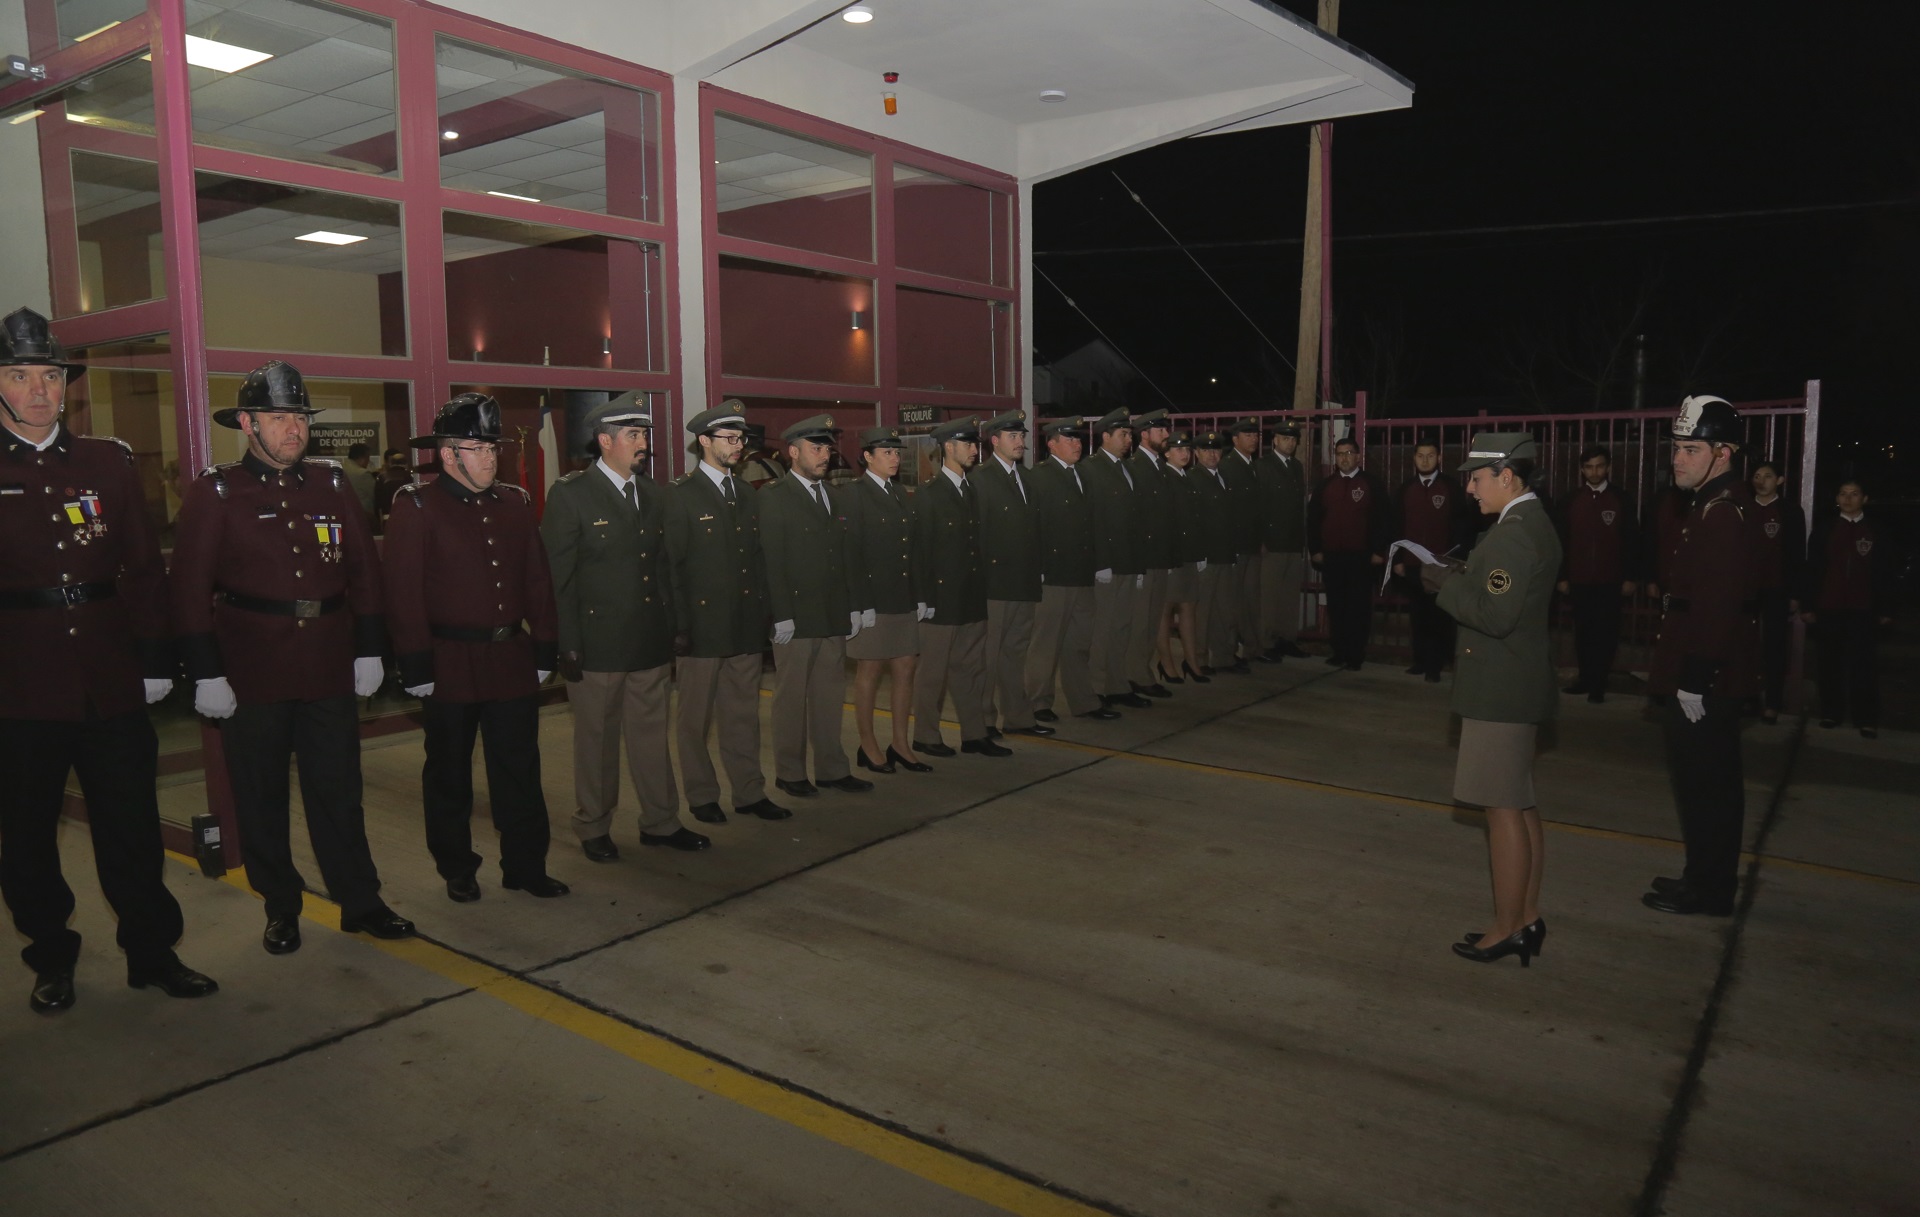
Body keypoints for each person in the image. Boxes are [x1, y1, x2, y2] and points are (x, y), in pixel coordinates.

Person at [0, 306, 216, 1013]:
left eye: (51, 375)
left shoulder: (107, 462)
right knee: (27, 837)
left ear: (67, 385)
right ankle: (51, 956)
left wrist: (153, 658)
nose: (39, 389)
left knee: (130, 826)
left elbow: (142, 570)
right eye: (20, 374)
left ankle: (152, 953)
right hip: (20, 686)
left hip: (110, 681)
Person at [172, 360, 414, 954]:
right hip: (252, 667)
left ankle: (360, 900)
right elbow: (188, 589)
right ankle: (280, 904)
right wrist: (206, 671)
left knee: (338, 790)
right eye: (279, 419)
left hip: (329, 661)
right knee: (260, 794)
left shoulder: (331, 485)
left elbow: (364, 574)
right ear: (248, 423)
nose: (293, 430)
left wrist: (369, 649)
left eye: (299, 419)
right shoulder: (218, 491)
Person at [384, 394, 566, 903]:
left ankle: (526, 865)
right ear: (447, 455)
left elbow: (537, 581)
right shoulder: (416, 508)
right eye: (476, 448)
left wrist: (544, 649)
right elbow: (402, 593)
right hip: (447, 662)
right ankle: (457, 866)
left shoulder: (513, 504)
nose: (490, 458)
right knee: (449, 775)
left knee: (519, 770)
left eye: (493, 448)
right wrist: (414, 662)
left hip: (509, 658)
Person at [542, 394, 709, 857]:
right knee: (596, 743)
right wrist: (567, 643)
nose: (643, 444)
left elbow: (665, 567)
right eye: (634, 436)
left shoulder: (655, 495)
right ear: (605, 441)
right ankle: (593, 826)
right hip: (596, 644)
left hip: (648, 640)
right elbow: (559, 578)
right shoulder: (572, 495)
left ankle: (660, 821)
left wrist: (675, 624)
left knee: (651, 739)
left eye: (644, 436)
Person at [1424, 432, 1560, 967]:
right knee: (1520, 805)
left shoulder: (1511, 536)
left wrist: (1443, 585)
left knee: (1500, 810)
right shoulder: (1532, 524)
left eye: (1477, 480)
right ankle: (1525, 916)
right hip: (1518, 682)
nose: (1471, 491)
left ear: (1507, 476)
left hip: (1500, 688)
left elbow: (1496, 615)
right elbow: (1507, 595)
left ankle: (1507, 927)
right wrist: (1467, 575)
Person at [1642, 396, 1762, 917]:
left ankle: (1711, 890)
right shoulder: (1709, 504)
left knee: (1709, 787)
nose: (1678, 459)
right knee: (1697, 785)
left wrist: (1695, 676)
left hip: (1707, 676)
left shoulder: (1724, 512)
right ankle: (1701, 876)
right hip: (1698, 665)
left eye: (1691, 449)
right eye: (1677, 448)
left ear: (1724, 453)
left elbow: (1719, 602)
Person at [664, 402, 789, 825]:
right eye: (730, 440)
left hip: (743, 625)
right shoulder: (680, 496)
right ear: (704, 442)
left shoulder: (746, 495)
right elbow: (672, 568)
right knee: (694, 720)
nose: (738, 447)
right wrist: (679, 626)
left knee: (742, 715)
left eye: (741, 440)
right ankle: (701, 795)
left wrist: (767, 615)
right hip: (700, 629)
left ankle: (749, 792)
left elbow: (759, 560)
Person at [760, 414, 872, 799]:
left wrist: (857, 606)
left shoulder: (835, 497)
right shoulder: (774, 497)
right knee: (791, 699)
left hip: (833, 613)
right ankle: (790, 772)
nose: (825, 455)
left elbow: (849, 557)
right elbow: (772, 560)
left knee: (828, 696)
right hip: (797, 615)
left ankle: (831, 768)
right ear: (793, 452)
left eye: (827, 447)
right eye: (815, 448)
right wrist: (781, 613)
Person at [911, 416, 1010, 757]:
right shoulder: (930, 495)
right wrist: (923, 598)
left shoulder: (971, 490)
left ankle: (974, 733)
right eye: (967, 444)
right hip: (941, 598)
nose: (974, 450)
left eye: (974, 444)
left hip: (970, 595)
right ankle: (925, 735)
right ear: (948, 448)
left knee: (972, 668)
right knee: (933, 673)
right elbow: (920, 550)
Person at [835, 426, 931, 773]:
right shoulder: (854, 494)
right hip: (873, 599)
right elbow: (852, 553)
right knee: (869, 672)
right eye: (887, 453)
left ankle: (901, 743)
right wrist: (859, 604)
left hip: (902, 597)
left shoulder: (902, 494)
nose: (895, 458)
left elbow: (913, 549)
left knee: (906, 669)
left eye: (897, 452)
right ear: (867, 457)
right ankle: (868, 744)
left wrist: (920, 595)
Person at [1025, 418, 1114, 722]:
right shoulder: (1039, 477)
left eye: (1078, 439)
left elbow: (1094, 523)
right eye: (1069, 439)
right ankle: (1038, 702)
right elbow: (1032, 527)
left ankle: (1084, 701)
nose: (1077, 444)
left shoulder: (1083, 476)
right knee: (1045, 644)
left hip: (1081, 574)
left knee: (1078, 644)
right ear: (1051, 444)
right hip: (1054, 575)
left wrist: (1100, 563)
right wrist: (1036, 567)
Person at [970, 410, 1052, 737]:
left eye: (1022, 436)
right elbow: (977, 535)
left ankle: (1018, 717)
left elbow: (1036, 530)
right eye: (1013, 436)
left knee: (1015, 653)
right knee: (987, 658)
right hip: (994, 584)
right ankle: (983, 721)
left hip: (1024, 581)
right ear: (994, 441)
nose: (1021, 442)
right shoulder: (981, 479)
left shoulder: (1026, 478)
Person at [1801, 478, 1891, 738]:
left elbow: (1886, 572)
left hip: (1864, 610)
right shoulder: (1825, 530)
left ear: (1864, 499)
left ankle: (1866, 719)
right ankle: (1831, 713)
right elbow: (1812, 570)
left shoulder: (1876, 531)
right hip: (1829, 608)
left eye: (1854, 494)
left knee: (1864, 666)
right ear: (1836, 498)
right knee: (1829, 664)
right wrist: (1808, 604)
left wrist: (1886, 608)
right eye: (1843, 494)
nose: (1848, 498)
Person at [1555, 445, 1639, 703]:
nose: (1595, 471)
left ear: (1608, 467)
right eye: (1589, 467)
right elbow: (1561, 540)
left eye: (1600, 466)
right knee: (1583, 632)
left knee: (1606, 633)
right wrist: (1562, 576)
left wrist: (1630, 577)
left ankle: (1599, 684)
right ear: (1582, 470)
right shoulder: (1571, 500)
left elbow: (1632, 540)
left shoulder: (1621, 499)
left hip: (1610, 581)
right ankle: (1585, 678)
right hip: (1579, 580)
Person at [1082, 408, 1150, 707]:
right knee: (1102, 628)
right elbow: (1094, 519)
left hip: (1128, 560)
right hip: (1107, 563)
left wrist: (1137, 565)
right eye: (1122, 435)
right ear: (1105, 436)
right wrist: (1101, 563)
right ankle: (1096, 688)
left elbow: (1135, 520)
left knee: (1122, 625)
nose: (1128, 440)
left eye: (1130, 435)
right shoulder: (1091, 468)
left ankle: (1117, 683)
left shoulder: (1128, 468)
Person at [1308, 436, 1389, 670]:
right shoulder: (1325, 485)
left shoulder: (1372, 484)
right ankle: (1339, 651)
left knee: (1358, 608)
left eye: (1349, 453)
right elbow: (1313, 520)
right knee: (1337, 606)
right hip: (1332, 557)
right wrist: (1315, 550)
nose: (1344, 458)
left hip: (1361, 558)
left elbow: (1383, 520)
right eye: (1340, 454)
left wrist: (1377, 550)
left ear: (1358, 456)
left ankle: (1355, 654)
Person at [1393, 439, 1471, 683]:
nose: (1425, 460)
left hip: (1440, 566)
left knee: (1439, 616)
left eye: (1430, 455)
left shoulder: (1451, 488)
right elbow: (1396, 526)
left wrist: (1454, 560)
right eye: (1420, 456)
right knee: (1417, 615)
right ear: (1414, 459)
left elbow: (1462, 526)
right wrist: (1397, 559)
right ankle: (1419, 661)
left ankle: (1436, 665)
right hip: (1413, 564)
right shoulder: (1406, 488)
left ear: (1439, 458)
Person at [1746, 460, 1806, 724]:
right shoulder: (1743, 509)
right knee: (1743, 644)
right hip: (1745, 589)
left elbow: (1796, 554)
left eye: (1767, 476)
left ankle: (1772, 702)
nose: (1761, 480)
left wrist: (1795, 593)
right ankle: (1745, 699)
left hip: (1777, 588)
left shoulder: (1790, 512)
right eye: (1757, 476)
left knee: (1774, 646)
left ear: (1779, 481)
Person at [1125, 409, 1176, 699]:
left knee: (1152, 618)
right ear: (1144, 434)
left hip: (1158, 556)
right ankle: (1135, 674)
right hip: (1144, 557)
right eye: (1160, 431)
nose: (1166, 435)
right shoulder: (1135, 467)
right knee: (1140, 620)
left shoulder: (1157, 466)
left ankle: (1140, 671)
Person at [1255, 419, 1310, 661]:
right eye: (1284, 438)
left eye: (1293, 439)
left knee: (1289, 596)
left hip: (1293, 542)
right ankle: (1267, 642)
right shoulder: (1263, 465)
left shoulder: (1297, 466)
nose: (1289, 442)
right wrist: (1261, 539)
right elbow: (1256, 507)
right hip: (1272, 542)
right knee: (1269, 597)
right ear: (1274, 440)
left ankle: (1288, 639)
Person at [1155, 431, 1208, 684]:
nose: (1184, 454)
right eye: (1178, 450)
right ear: (1166, 454)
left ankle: (1192, 661)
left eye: (1186, 449)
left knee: (1188, 608)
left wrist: (1199, 553)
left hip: (1188, 554)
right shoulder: (1164, 477)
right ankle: (1167, 664)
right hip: (1171, 555)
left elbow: (1195, 521)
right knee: (1165, 611)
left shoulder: (1188, 478)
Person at [1191, 431, 1241, 675]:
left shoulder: (1224, 477)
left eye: (1216, 450)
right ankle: (1199, 659)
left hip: (1225, 554)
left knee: (1225, 609)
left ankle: (1224, 656)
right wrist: (1198, 554)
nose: (1212, 454)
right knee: (1203, 611)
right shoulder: (1193, 478)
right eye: (1206, 450)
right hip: (1207, 556)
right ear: (1197, 453)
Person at [1220, 418, 1264, 668]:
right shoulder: (1229, 466)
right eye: (1248, 435)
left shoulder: (1252, 465)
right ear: (1235, 439)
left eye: (1255, 434)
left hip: (1252, 543)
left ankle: (1252, 647)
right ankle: (1230, 650)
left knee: (1250, 599)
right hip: (1237, 544)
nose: (1254, 438)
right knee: (1233, 601)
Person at [374, 447, 410, 528]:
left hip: (387, 519)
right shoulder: (410, 476)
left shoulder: (381, 477)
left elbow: (377, 504)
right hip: (407, 517)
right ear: (406, 464)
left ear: (390, 463)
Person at [342, 441, 379, 520]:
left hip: (343, 515)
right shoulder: (363, 474)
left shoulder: (339, 469)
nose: (368, 462)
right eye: (368, 458)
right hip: (362, 517)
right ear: (363, 458)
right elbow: (376, 495)